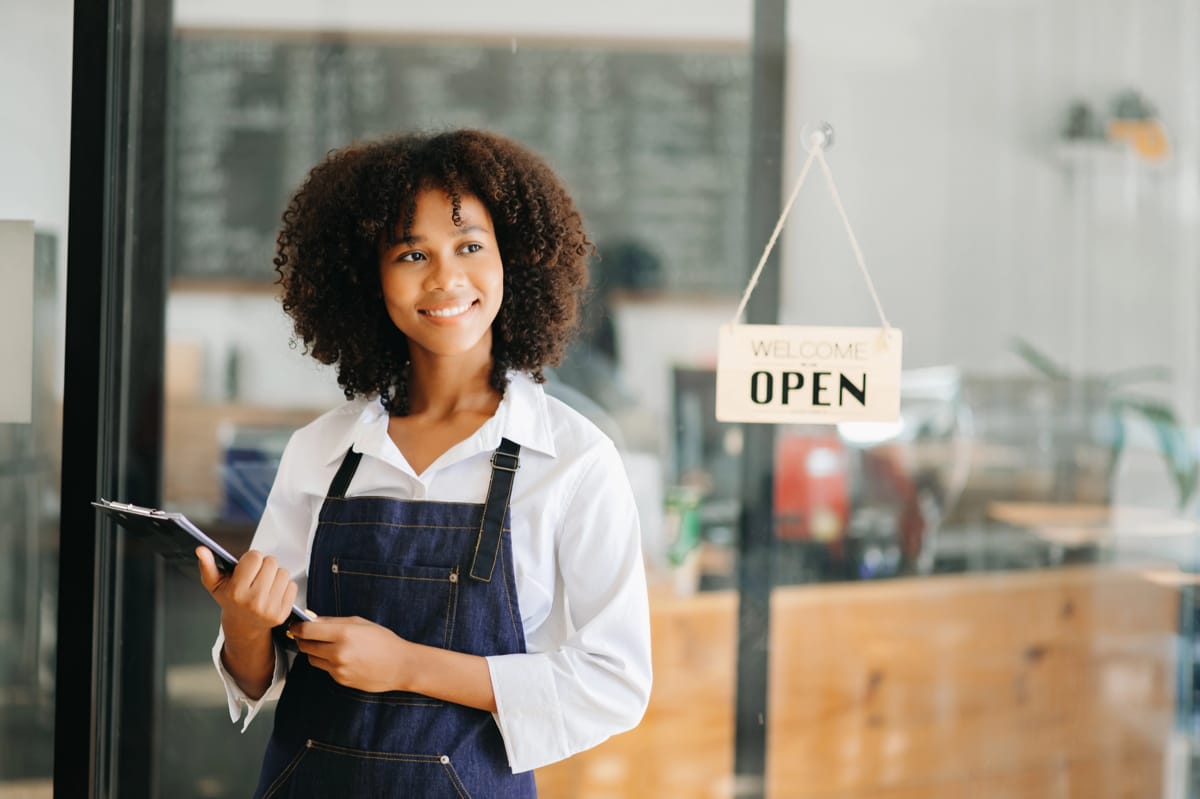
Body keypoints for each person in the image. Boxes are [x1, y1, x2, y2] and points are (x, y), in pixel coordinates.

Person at [194, 129, 652, 798]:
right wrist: (243, 623)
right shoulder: (320, 450)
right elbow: (257, 674)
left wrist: (407, 665)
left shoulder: (573, 459)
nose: (445, 278)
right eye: (412, 253)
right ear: (367, 276)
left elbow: (615, 683)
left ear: (513, 261)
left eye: (470, 246)